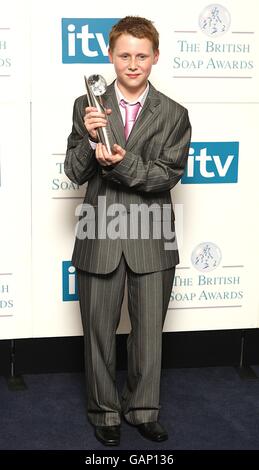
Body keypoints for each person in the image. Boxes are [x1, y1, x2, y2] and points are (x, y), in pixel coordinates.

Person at [64, 16, 191, 446]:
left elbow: (166, 176)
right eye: (124, 55)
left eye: (141, 55)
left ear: (155, 57)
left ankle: (143, 409)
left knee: (149, 334)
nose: (132, 64)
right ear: (111, 57)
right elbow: (74, 171)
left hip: (153, 236)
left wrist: (121, 163)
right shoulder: (89, 105)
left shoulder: (174, 114)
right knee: (97, 332)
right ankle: (104, 411)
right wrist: (88, 136)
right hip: (99, 231)